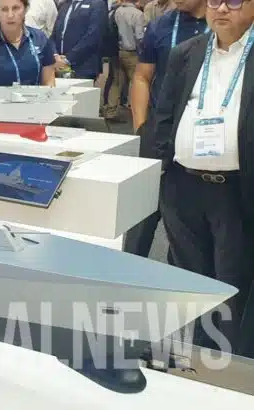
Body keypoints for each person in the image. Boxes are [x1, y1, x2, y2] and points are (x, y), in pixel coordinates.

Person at [152, 0, 254, 353]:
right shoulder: (186, 52)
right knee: (193, 280)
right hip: (183, 187)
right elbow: (164, 115)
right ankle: (199, 357)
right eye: (214, 1)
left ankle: (230, 365)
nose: (221, 8)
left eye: (234, 1)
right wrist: (162, 173)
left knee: (231, 282)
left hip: (235, 191)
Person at [124, 0, 208, 259]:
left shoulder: (223, 27)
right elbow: (142, 76)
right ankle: (126, 269)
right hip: (158, 133)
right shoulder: (161, 26)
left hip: (201, 139)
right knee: (141, 216)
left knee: (188, 223)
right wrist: (141, 126)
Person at [0, 0, 57, 86]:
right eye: (4, 9)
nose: (10, 15)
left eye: (15, 8)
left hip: (38, 96)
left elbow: (49, 82)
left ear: (25, 9)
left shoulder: (40, 39)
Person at [50, 0, 108, 80]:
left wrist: (68, 59)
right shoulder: (64, 5)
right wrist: (55, 56)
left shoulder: (97, 4)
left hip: (83, 67)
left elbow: (93, 36)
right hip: (59, 65)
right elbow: (54, 35)